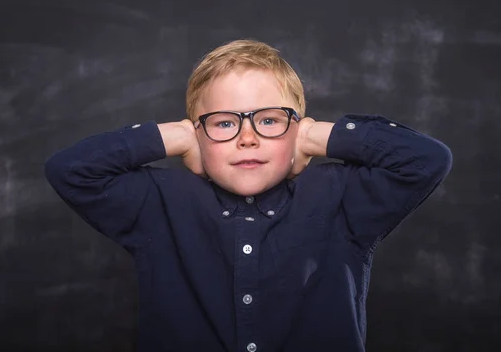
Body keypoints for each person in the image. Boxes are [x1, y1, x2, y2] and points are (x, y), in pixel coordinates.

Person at [45, 39, 452, 352]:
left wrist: (314, 135)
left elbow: (427, 159)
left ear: (296, 129)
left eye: (271, 120)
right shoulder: (160, 201)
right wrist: (176, 136)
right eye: (223, 124)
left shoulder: (341, 197)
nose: (248, 138)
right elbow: (70, 171)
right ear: (197, 134)